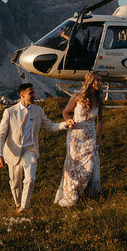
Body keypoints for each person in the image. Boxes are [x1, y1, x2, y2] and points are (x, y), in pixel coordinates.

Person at [0, 83, 71, 212]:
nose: (34, 95)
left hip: (30, 150)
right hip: (13, 152)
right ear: (22, 95)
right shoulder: (9, 112)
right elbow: (1, 135)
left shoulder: (38, 111)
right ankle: (18, 203)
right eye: (31, 93)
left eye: (34, 92)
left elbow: (50, 126)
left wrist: (65, 124)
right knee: (15, 183)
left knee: (30, 179)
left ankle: (23, 209)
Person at [54, 71, 104, 207]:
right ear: (90, 82)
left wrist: (99, 138)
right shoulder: (77, 97)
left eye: (100, 80)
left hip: (90, 136)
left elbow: (100, 121)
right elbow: (65, 112)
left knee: (89, 166)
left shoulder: (99, 99)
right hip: (75, 136)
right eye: (97, 80)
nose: (100, 83)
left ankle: (84, 191)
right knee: (73, 165)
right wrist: (68, 121)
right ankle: (71, 192)